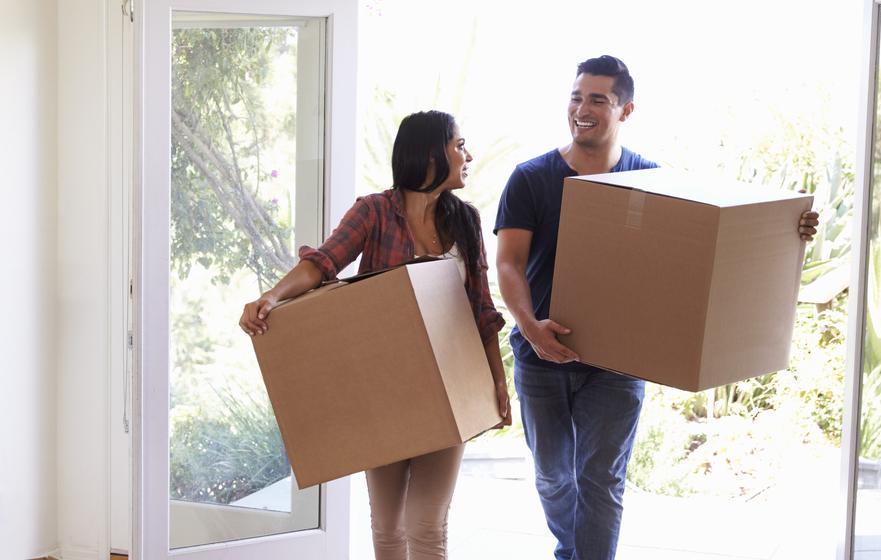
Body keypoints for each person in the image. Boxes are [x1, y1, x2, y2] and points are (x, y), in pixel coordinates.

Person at [494, 55, 819, 560]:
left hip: (618, 362)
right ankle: (571, 550)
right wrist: (532, 328)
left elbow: (712, 241)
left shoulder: (652, 180)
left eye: (598, 99)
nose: (583, 108)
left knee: (600, 478)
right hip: (542, 352)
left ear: (626, 110)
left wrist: (789, 228)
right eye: (576, 96)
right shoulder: (532, 177)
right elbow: (510, 263)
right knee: (554, 474)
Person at [239, 110, 512, 560]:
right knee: (387, 527)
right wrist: (271, 296)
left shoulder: (466, 220)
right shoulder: (375, 212)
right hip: (383, 388)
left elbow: (482, 309)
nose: (468, 154)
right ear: (430, 153)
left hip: (448, 387)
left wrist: (498, 383)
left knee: (427, 525)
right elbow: (322, 263)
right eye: (459, 144)